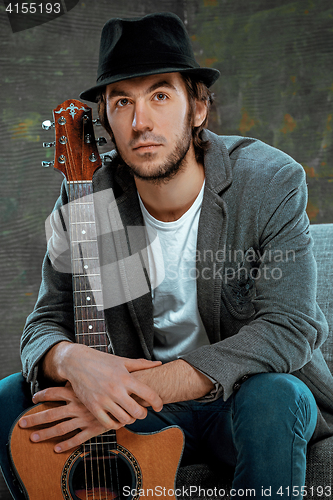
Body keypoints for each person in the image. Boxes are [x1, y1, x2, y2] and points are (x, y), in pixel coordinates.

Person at [1, 11, 333, 500]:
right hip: (141, 416)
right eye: (122, 102)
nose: (141, 123)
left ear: (197, 108)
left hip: (236, 401)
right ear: (107, 122)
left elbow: (289, 329)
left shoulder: (267, 182)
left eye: (160, 95)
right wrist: (70, 359)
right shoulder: (90, 197)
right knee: (11, 395)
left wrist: (132, 391)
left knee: (274, 394)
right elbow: (44, 322)